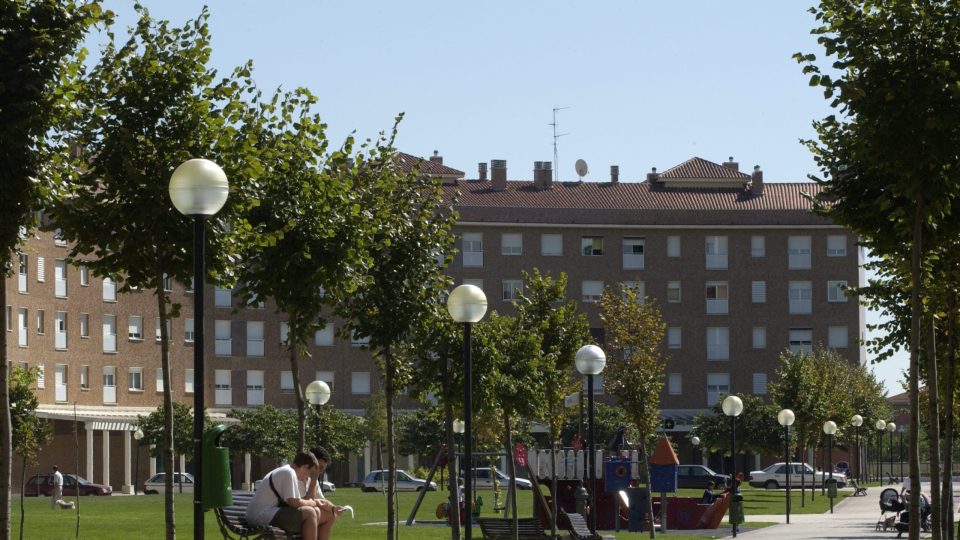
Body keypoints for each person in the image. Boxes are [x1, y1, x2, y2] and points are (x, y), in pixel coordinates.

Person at [247, 452, 335, 540]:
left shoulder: (287, 471)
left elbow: (297, 501)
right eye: (309, 472)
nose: (308, 477)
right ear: (305, 467)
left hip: (263, 514)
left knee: (314, 512)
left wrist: (314, 502)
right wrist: (312, 502)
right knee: (310, 512)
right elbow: (294, 502)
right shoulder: (288, 472)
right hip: (260, 515)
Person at [302, 447, 344, 539]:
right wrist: (313, 480)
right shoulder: (300, 477)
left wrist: (334, 508)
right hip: (294, 514)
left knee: (331, 514)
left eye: (323, 469)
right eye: (320, 467)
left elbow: (321, 501)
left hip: (304, 515)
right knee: (314, 511)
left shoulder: (313, 480)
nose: (321, 471)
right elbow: (306, 503)